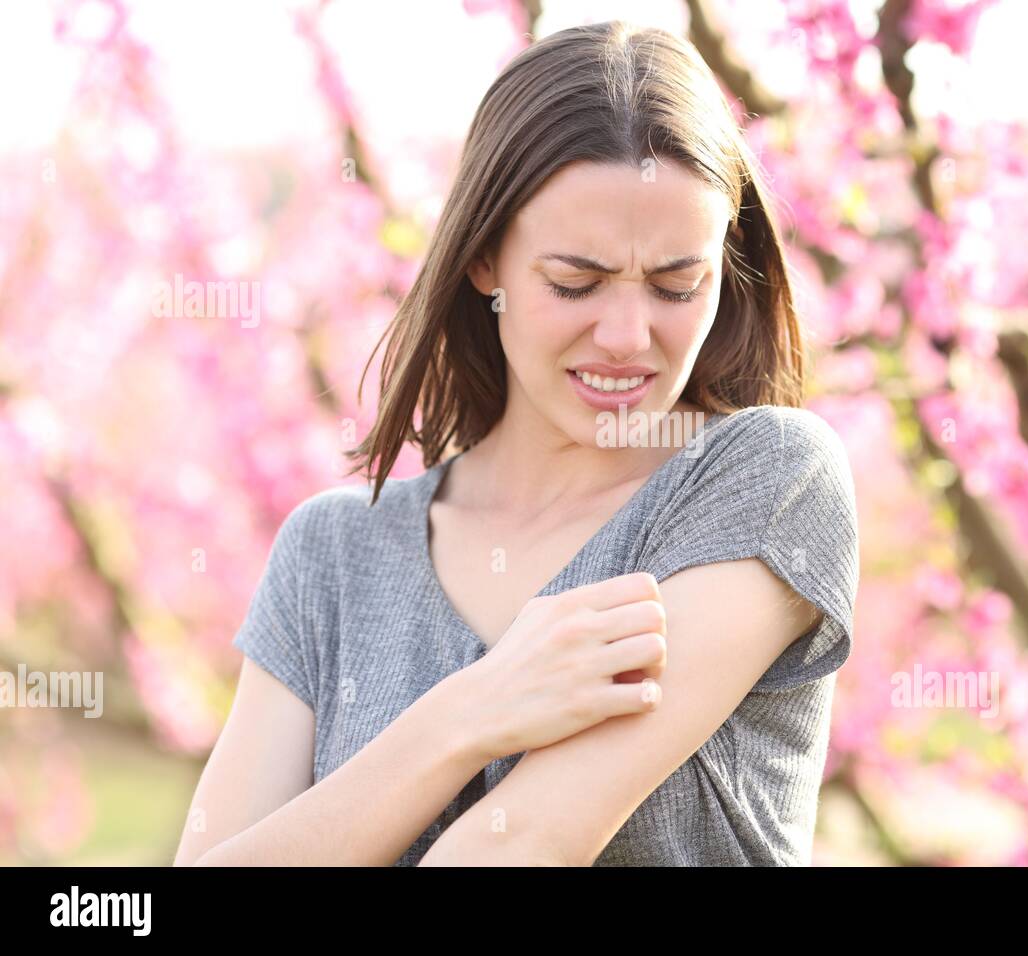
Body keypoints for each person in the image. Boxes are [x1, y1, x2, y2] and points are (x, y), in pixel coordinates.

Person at [174, 19, 859, 867]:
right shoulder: (333, 556)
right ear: (484, 259)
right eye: (576, 282)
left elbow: (524, 843)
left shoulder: (767, 482)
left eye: (679, 285)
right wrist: (467, 715)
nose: (627, 335)